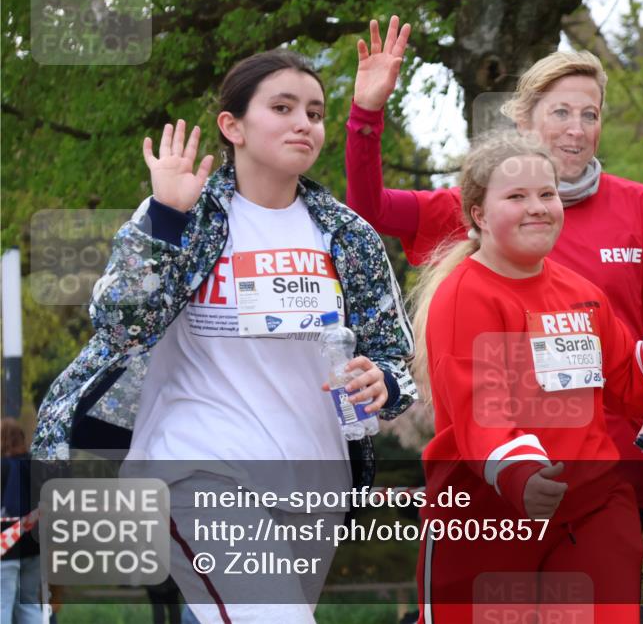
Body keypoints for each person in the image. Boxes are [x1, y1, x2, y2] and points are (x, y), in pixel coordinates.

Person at [32, 49, 417, 624]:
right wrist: (166, 219)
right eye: (282, 107)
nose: (302, 123)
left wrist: (382, 379)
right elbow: (119, 323)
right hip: (197, 466)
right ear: (232, 126)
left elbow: (394, 354)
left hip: (315, 481)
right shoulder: (184, 213)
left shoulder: (347, 234)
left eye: (313, 112)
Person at [345, 19, 643, 522]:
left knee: (611, 597)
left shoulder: (641, 206)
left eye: (590, 114)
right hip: (503, 473)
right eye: (560, 112)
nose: (577, 129)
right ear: (523, 120)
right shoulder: (482, 209)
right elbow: (369, 213)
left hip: (614, 468)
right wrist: (367, 114)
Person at [409, 133, 643, 623]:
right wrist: (523, 476)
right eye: (517, 196)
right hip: (489, 516)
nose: (538, 208)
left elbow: (630, 390)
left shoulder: (580, 292)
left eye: (547, 194)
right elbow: (481, 410)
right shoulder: (465, 296)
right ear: (479, 215)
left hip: (592, 508)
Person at [1, 418, 43, 624]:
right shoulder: (36, 465)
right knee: (29, 603)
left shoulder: (3, 468)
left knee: (2, 603)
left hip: (5, 545)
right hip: (35, 545)